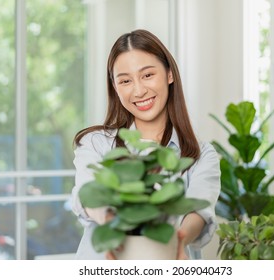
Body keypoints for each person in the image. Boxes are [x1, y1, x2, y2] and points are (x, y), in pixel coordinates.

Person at [71, 29, 220, 260]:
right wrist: (114, 226)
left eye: (148, 75)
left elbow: (200, 210)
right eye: (125, 80)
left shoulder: (201, 154)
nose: (139, 90)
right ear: (115, 87)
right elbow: (86, 195)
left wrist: (178, 240)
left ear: (169, 74)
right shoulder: (96, 143)